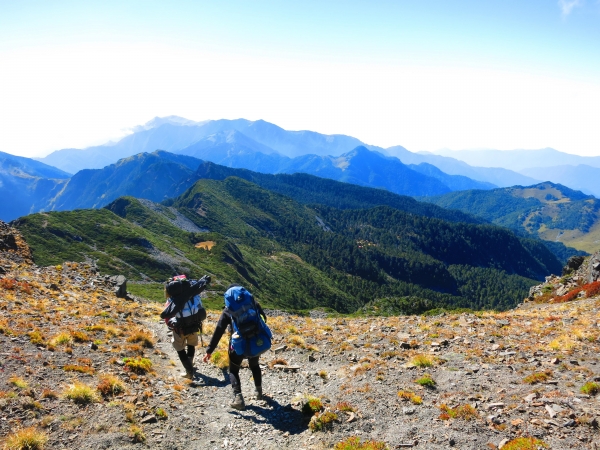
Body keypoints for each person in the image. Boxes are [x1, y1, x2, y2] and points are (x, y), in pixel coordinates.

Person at [203, 284, 267, 411]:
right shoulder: (252, 303)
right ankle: (259, 393)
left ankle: (238, 398)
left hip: (237, 344)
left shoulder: (228, 310)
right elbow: (264, 318)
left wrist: (209, 350)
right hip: (255, 340)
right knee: (254, 365)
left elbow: (219, 330)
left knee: (233, 370)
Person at [164, 287, 206, 380]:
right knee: (191, 345)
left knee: (179, 349)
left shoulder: (172, 300)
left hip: (179, 330)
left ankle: (189, 371)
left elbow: (167, 319)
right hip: (193, 326)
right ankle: (190, 363)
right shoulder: (192, 297)